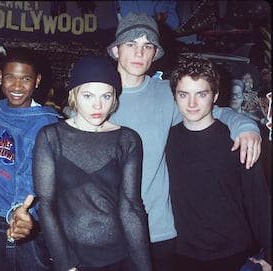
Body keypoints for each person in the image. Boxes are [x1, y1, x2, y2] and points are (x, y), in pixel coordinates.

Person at [106, 12, 262, 271]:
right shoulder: (98, 96)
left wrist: (246, 126)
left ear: (155, 53)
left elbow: (212, 110)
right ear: (115, 50)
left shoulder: (167, 93)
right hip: (109, 231)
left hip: (160, 231)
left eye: (147, 46)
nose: (138, 53)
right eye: (131, 44)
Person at [33, 55, 153, 271]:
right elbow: (46, 205)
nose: (98, 105)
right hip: (71, 258)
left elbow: (131, 207)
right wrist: (65, 264)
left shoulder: (127, 139)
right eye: (88, 95)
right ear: (74, 95)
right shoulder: (51, 137)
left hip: (117, 256)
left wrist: (144, 267)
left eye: (106, 96)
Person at [166, 55, 271, 271]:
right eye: (184, 94)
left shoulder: (239, 140)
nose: (192, 103)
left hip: (234, 254)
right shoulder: (166, 140)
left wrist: (270, 255)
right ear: (175, 97)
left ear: (215, 95)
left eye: (201, 94)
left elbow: (259, 201)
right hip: (181, 255)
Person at [0, 47, 62, 271]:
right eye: (10, 77)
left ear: (37, 81)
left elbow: (36, 177)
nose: (16, 86)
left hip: (25, 222)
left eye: (25, 79)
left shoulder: (47, 123)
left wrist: (22, 211)